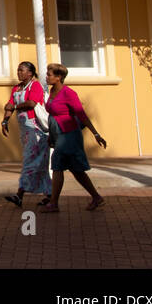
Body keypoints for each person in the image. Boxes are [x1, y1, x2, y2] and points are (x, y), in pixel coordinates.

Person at [42, 63, 107, 212]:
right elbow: (52, 116)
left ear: (58, 77)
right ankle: (96, 197)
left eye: (49, 74)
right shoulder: (52, 92)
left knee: (57, 165)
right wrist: (51, 136)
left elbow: (81, 114)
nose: (47, 77)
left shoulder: (69, 93)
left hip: (68, 135)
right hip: (58, 134)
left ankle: (53, 203)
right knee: (76, 169)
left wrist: (96, 134)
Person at [1, 61, 51, 208]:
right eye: (18, 70)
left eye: (22, 70)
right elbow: (8, 105)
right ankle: (50, 195)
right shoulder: (17, 88)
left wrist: (15, 106)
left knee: (29, 162)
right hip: (24, 131)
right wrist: (5, 121)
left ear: (30, 73)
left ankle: (19, 194)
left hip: (36, 130)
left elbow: (32, 103)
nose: (19, 72)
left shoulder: (35, 86)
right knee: (39, 164)